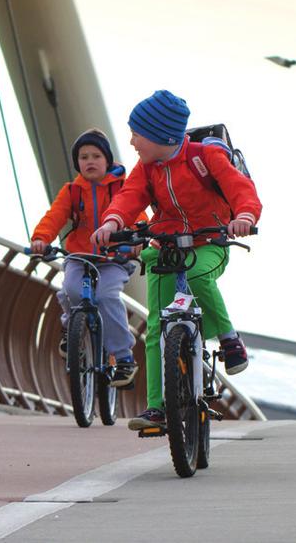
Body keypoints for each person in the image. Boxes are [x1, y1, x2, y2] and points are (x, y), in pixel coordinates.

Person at [90, 90, 261, 430]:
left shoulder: (206, 157)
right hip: (166, 246)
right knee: (156, 328)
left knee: (198, 276)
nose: (132, 141)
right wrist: (112, 221)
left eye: (137, 133)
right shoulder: (146, 169)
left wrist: (243, 215)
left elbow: (239, 187)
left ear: (159, 134)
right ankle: (157, 408)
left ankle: (228, 338)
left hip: (209, 242)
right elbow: (129, 197)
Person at [30, 129, 146, 388]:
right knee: (71, 289)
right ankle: (71, 330)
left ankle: (124, 357)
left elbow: (137, 214)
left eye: (96, 156)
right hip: (80, 257)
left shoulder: (122, 188)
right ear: (77, 163)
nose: (90, 161)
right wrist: (41, 239)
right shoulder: (72, 191)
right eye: (83, 157)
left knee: (106, 297)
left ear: (107, 160)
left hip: (114, 259)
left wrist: (136, 238)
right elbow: (55, 216)